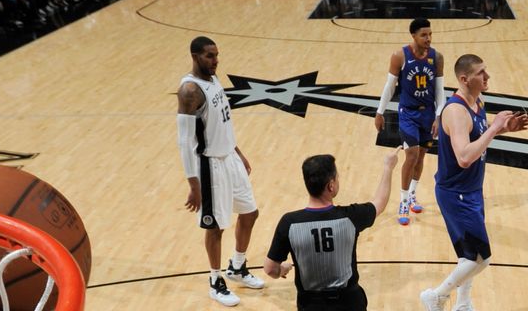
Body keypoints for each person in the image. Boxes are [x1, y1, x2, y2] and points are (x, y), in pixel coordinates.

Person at [420, 54, 527, 310]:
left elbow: (477, 132)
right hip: (455, 193)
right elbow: (465, 157)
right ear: (464, 79)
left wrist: (503, 128)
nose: (487, 77)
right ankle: (435, 296)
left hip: (471, 190)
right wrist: (493, 130)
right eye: (481, 73)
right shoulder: (455, 111)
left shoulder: (477, 101)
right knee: (482, 258)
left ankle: (463, 303)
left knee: (468, 254)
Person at [177, 36, 265, 307]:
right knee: (215, 227)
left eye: (216, 55)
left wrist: (238, 151)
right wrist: (194, 185)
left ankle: (236, 266)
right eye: (209, 56)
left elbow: (222, 121)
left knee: (250, 212)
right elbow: (185, 142)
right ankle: (215, 280)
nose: (215, 60)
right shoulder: (190, 91)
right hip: (210, 166)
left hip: (229, 158)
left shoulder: (213, 79)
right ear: (194, 56)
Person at [264, 148, 401, 310]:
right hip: (349, 303)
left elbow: (270, 269)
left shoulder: (289, 223)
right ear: (331, 186)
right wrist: (388, 167)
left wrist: (282, 270)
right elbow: (380, 202)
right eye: (337, 178)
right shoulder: (350, 217)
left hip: (311, 305)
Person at [374, 18, 444, 225]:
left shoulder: (437, 57)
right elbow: (389, 87)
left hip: (428, 113)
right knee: (411, 155)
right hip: (408, 113)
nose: (428, 38)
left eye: (430, 34)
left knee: (421, 156)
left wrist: (439, 116)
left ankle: (413, 193)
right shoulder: (399, 56)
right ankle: (403, 202)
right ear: (413, 35)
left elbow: (440, 90)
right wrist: (380, 112)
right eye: (424, 35)